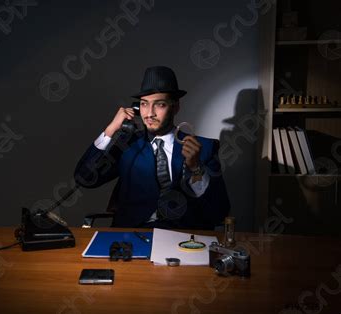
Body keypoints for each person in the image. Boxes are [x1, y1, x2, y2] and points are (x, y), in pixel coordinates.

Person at [74, 66, 230, 229]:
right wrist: (110, 130)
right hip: (133, 234)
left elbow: (219, 211)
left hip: (182, 237)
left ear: (175, 107)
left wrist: (196, 168)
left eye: (159, 104)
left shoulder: (204, 148)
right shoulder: (128, 145)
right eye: (144, 104)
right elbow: (84, 178)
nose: (149, 114)